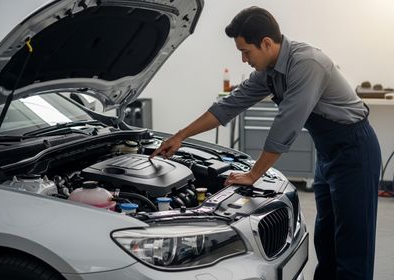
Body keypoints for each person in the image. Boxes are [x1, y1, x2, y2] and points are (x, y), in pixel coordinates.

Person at [151, 6, 381, 280]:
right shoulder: (269, 71)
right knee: (328, 239)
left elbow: (287, 125)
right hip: (328, 153)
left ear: (267, 43)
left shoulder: (307, 64)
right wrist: (181, 135)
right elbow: (228, 106)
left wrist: (253, 174)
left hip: (354, 151)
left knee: (353, 243)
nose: (244, 59)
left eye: (246, 51)